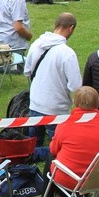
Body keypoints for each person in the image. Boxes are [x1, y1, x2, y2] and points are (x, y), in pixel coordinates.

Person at [47, 86, 99, 194]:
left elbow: (53, 150)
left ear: (75, 102)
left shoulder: (65, 123)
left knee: (50, 156)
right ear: (97, 102)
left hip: (68, 180)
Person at [23, 13, 82, 145]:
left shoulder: (36, 44)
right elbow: (76, 86)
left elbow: (27, 71)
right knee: (58, 145)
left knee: (32, 145)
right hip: (56, 107)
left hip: (36, 101)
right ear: (71, 28)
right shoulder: (67, 53)